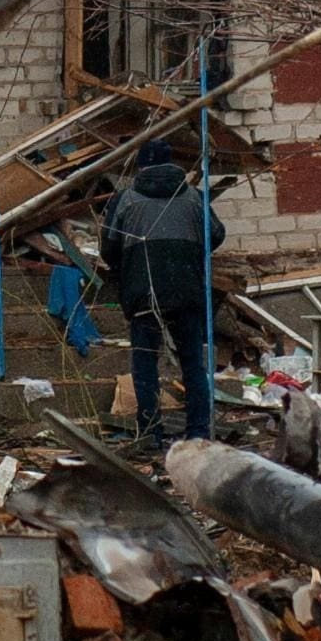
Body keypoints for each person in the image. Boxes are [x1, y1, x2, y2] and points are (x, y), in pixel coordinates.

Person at [99, 149, 223, 441]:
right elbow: (216, 234)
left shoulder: (125, 200)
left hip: (143, 293)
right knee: (193, 365)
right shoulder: (194, 197)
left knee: (145, 366)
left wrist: (128, 268)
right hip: (187, 292)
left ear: (141, 167)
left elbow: (109, 249)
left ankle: (151, 434)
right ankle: (199, 433)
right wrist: (190, 255)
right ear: (174, 164)